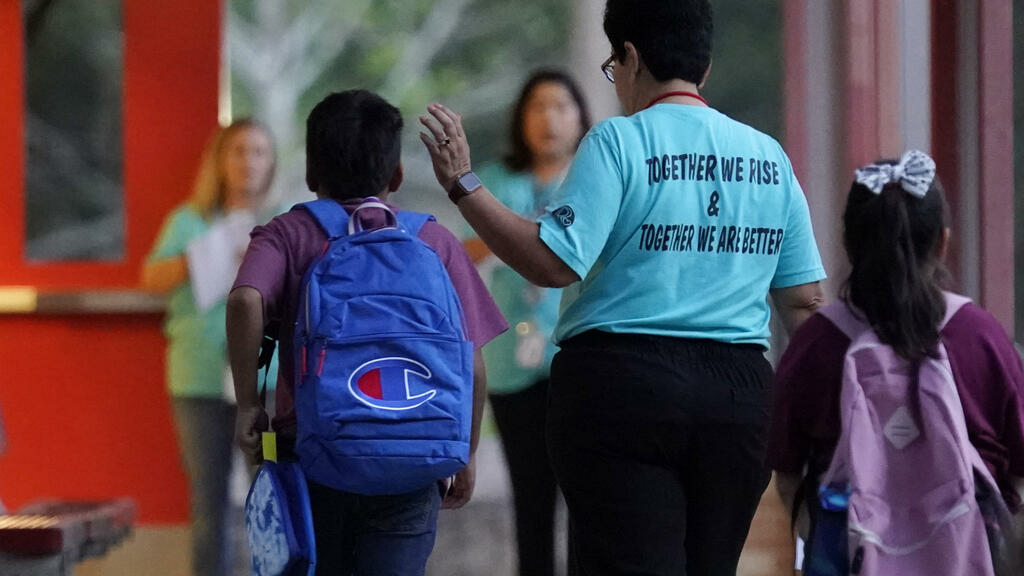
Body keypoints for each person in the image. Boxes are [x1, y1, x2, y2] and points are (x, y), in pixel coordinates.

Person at [418, 1, 826, 573]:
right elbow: (805, 304)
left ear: (629, 57)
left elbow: (552, 261)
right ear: (703, 66)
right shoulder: (769, 159)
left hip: (625, 390)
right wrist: (816, 422)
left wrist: (464, 185)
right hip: (738, 399)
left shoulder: (617, 143)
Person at [226, 90, 507, 576]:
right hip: (413, 462)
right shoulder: (433, 240)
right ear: (395, 175)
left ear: (312, 173)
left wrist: (250, 403)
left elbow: (245, 300)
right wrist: (466, 450)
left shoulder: (289, 233)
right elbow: (471, 360)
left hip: (316, 456)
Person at [767, 151, 1024, 569]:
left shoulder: (817, 342)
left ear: (849, 243)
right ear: (942, 242)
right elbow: (1017, 465)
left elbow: (786, 474)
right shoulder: (982, 337)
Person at [465, 69, 590, 576]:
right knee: (531, 499)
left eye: (561, 106)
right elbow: (467, 255)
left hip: (580, 360)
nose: (549, 118)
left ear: (582, 117)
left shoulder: (595, 179)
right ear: (521, 119)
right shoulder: (494, 181)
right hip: (512, 365)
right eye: (537, 106)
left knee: (588, 498)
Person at [141, 118, 277, 576]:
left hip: (269, 387)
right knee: (209, 503)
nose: (248, 162)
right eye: (238, 150)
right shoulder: (189, 221)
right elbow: (151, 279)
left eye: (258, 151)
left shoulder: (281, 223)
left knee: (272, 493)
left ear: (271, 163)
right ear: (219, 160)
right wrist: (208, 253)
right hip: (198, 382)